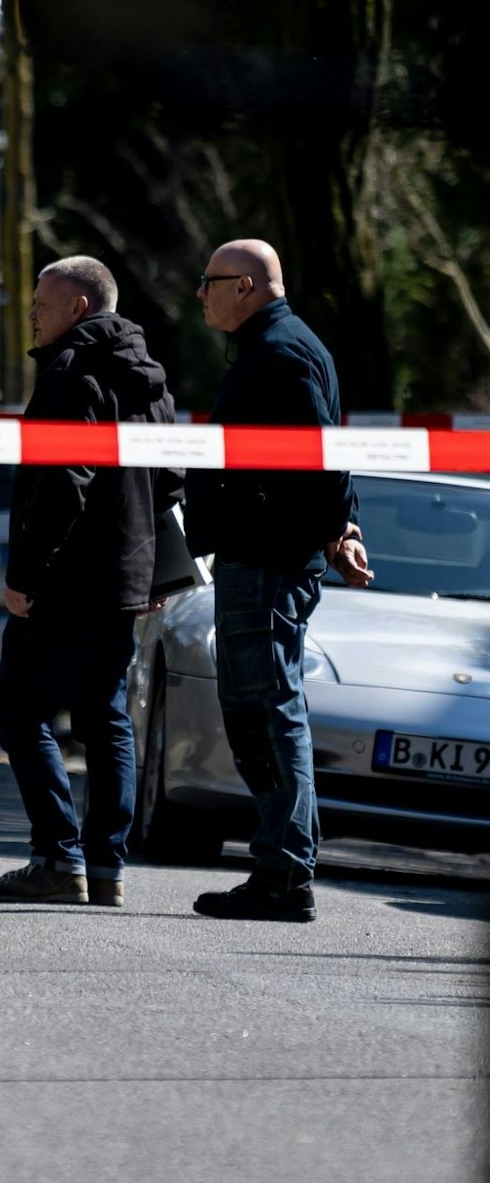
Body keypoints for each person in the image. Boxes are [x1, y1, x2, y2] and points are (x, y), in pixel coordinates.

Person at [0, 257, 181, 909]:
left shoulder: (72, 372)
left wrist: (24, 573)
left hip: (67, 578)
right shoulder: (151, 380)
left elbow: (66, 478)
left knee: (17, 708)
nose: (31, 314)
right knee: (105, 716)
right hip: (125, 579)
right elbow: (174, 479)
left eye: (42, 302)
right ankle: (107, 868)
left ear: (79, 308)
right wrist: (153, 569)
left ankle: (60, 858)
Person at [184, 238, 374, 923]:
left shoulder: (283, 351)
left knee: (267, 714)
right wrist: (339, 531)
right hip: (259, 554)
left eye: (209, 281)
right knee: (259, 713)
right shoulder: (275, 345)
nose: (199, 293)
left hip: (267, 560)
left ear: (248, 286)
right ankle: (279, 865)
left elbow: (323, 457)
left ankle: (284, 872)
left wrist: (338, 529)